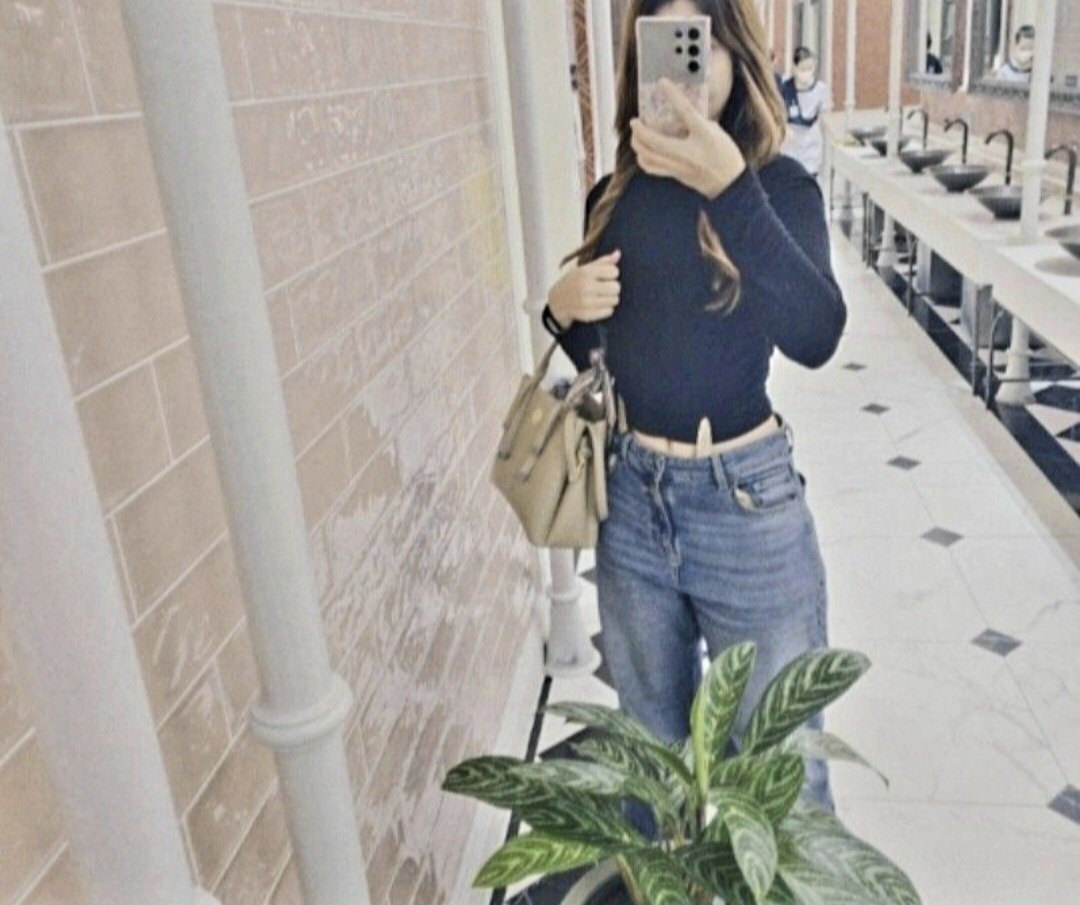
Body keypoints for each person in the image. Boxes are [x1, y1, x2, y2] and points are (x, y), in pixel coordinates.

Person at [540, 0, 846, 838]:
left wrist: (729, 188)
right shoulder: (615, 195)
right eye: (663, 50)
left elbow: (817, 333)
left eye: (698, 50)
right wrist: (562, 307)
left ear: (735, 61)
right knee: (650, 761)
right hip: (633, 504)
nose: (680, 77)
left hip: (745, 503)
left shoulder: (777, 187)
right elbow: (605, 353)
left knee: (781, 783)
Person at [779, 46, 830, 178]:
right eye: (803, 69)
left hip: (811, 146)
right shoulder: (785, 88)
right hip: (790, 145)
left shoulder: (820, 89)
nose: (807, 73)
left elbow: (825, 117)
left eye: (810, 68)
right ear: (795, 68)